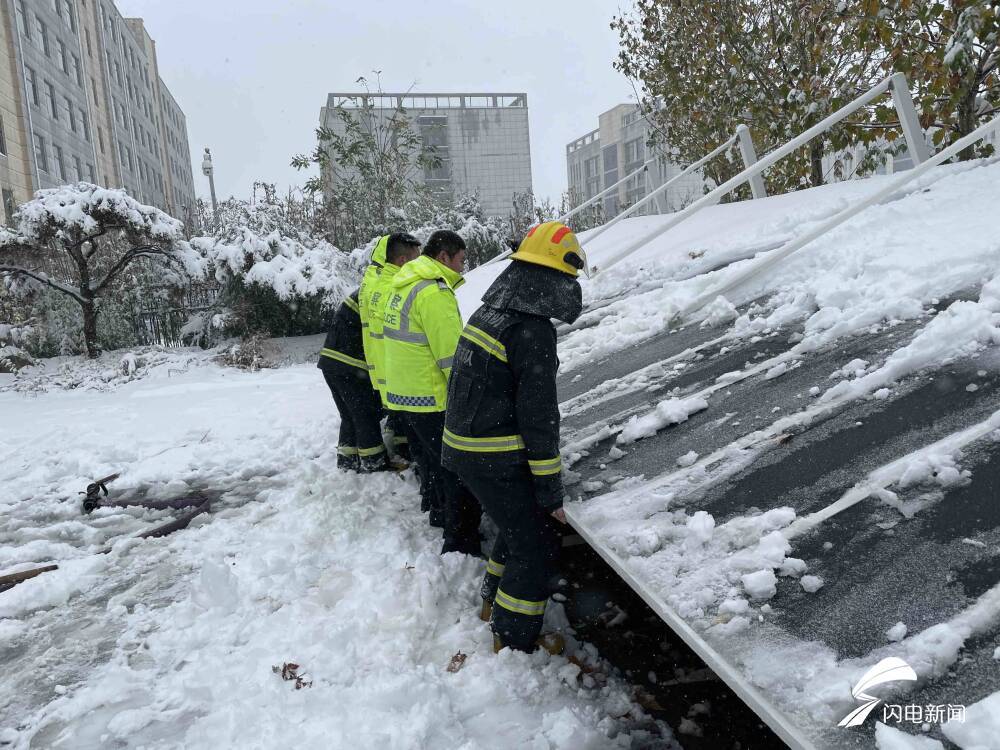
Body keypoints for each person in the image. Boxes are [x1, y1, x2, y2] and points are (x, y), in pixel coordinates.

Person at [441, 221, 587, 654]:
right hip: (493, 455)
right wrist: (551, 491)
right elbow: (539, 418)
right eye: (567, 278)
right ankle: (513, 635)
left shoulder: (491, 311)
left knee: (516, 523)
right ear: (552, 278)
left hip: (468, 448)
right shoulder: (532, 331)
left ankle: (492, 601)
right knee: (536, 543)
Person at [382, 230, 482, 555]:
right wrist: (471, 396)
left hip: (405, 394)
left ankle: (439, 514)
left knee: (432, 464)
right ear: (444, 257)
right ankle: (460, 544)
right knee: (457, 472)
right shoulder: (433, 292)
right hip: (431, 397)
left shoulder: (405, 284)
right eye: (461, 260)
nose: (463, 268)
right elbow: (452, 356)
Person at [362, 232, 430, 499]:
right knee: (420, 437)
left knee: (407, 426)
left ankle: (410, 458)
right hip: (399, 371)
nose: (419, 263)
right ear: (402, 260)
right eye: (415, 258)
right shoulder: (393, 287)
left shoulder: (378, 281)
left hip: (387, 368)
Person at [317, 286, 387, 472]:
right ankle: (374, 462)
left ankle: (347, 462)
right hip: (350, 366)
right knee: (365, 414)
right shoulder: (377, 294)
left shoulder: (364, 292)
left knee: (349, 415)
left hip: (330, 362)